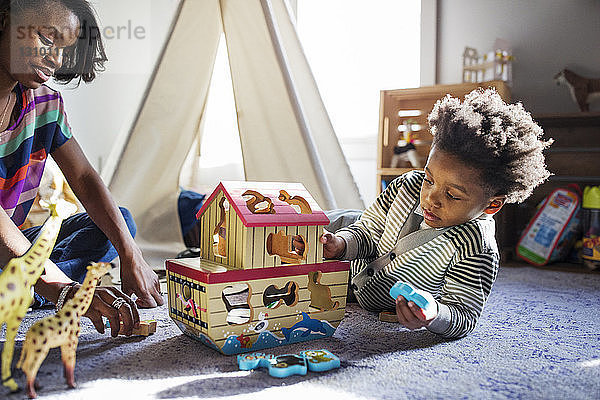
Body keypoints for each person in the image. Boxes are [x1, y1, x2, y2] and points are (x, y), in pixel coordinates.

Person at [301, 89, 552, 338]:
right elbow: (368, 230)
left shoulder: (476, 247)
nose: (431, 199)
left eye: (452, 195)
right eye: (429, 179)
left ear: (491, 205)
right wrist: (342, 244)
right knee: (299, 228)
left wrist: (434, 314)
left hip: (355, 290)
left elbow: (464, 314)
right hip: (350, 235)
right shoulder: (407, 185)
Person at [0, 0, 164, 337]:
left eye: (63, 49)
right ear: (6, 20)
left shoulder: (45, 104)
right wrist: (65, 290)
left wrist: (131, 255)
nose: (56, 59)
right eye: (47, 38)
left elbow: (85, 179)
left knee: (120, 224)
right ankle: (38, 286)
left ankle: (28, 287)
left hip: (14, 248)